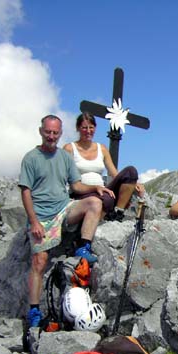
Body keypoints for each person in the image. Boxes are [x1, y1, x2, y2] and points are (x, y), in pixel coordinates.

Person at [19, 115, 114, 327]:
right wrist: (33, 221)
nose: (51, 136)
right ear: (41, 131)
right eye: (48, 132)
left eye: (55, 133)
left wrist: (94, 189)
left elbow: (76, 186)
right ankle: (34, 311)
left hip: (63, 209)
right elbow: (25, 191)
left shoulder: (64, 157)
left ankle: (84, 248)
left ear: (60, 133)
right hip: (42, 217)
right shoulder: (31, 158)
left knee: (94, 203)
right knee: (39, 262)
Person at [63, 112, 144, 222]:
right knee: (108, 199)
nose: (88, 131)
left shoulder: (102, 148)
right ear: (78, 128)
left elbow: (113, 173)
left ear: (95, 128)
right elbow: (64, 176)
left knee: (131, 171)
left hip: (102, 189)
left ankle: (118, 212)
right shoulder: (69, 148)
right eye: (84, 128)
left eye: (91, 127)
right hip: (81, 192)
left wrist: (134, 183)